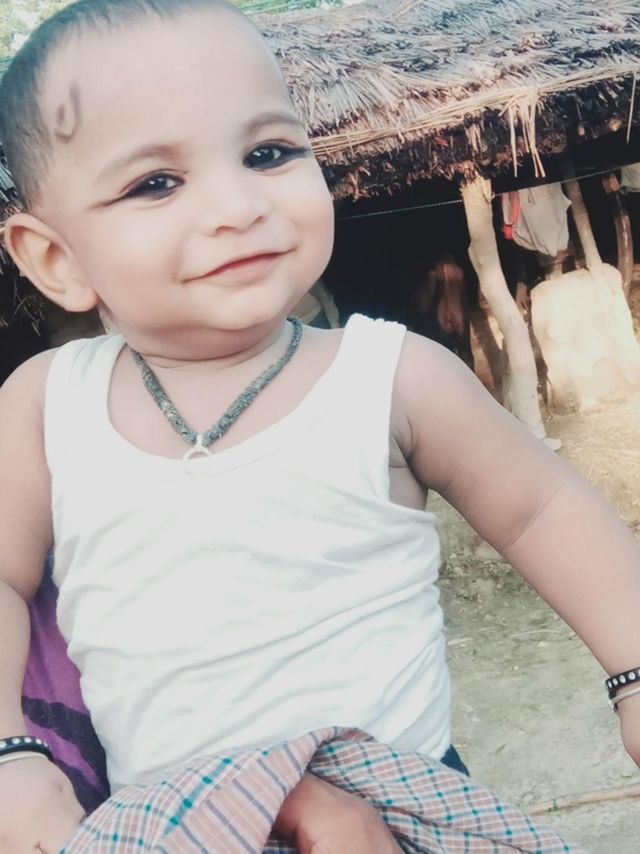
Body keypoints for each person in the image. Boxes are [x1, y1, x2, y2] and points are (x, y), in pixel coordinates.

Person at [0, 0, 638, 850]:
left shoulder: (393, 377)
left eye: (267, 153)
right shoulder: (48, 404)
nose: (237, 205)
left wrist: (634, 671)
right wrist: (11, 755)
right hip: (171, 827)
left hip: (404, 805)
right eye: (155, 183)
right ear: (55, 258)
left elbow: (545, 510)